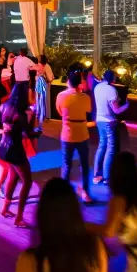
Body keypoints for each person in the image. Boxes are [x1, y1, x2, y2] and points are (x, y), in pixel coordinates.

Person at [0, 84, 35, 227]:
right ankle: (18, 217)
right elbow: (26, 133)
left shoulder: (4, 106)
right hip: (15, 149)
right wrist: (33, 120)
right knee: (27, 181)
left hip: (4, 147)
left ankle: (5, 209)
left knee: (13, 176)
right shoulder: (21, 113)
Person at [56, 71, 95, 202]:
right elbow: (88, 110)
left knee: (66, 165)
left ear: (68, 81)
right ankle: (85, 193)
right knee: (84, 165)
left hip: (67, 133)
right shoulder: (85, 97)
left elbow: (60, 111)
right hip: (83, 133)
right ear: (80, 83)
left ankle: (63, 193)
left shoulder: (61, 96)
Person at [93, 69, 129, 185]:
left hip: (99, 120)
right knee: (110, 148)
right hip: (109, 121)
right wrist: (127, 105)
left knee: (101, 146)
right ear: (112, 78)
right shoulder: (111, 90)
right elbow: (116, 110)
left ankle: (96, 175)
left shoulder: (97, 88)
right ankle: (107, 177)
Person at [33, 54, 54, 124]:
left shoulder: (46, 66)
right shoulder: (39, 65)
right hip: (39, 84)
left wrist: (43, 78)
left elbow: (50, 78)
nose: (37, 59)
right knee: (38, 99)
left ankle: (45, 116)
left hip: (44, 85)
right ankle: (39, 114)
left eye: (39, 58)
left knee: (45, 100)